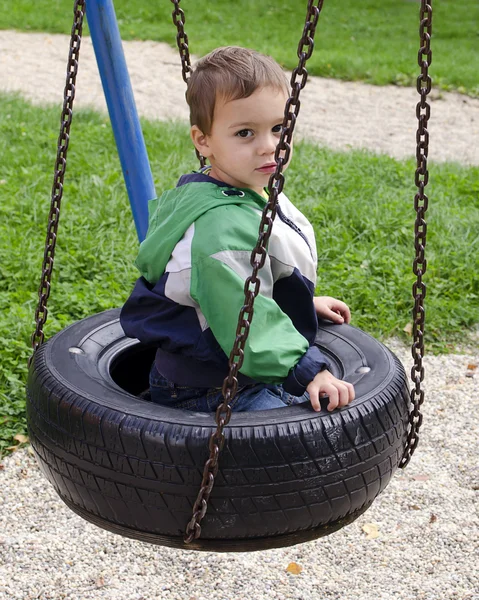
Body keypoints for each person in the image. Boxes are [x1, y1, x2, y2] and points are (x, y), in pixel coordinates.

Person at [120, 46, 355, 413]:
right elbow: (240, 317)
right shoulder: (217, 229)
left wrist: (295, 305)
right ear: (203, 140)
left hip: (235, 364)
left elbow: (250, 276)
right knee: (307, 447)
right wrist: (308, 370)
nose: (269, 147)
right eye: (245, 133)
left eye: (279, 128)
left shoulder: (249, 190)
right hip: (208, 387)